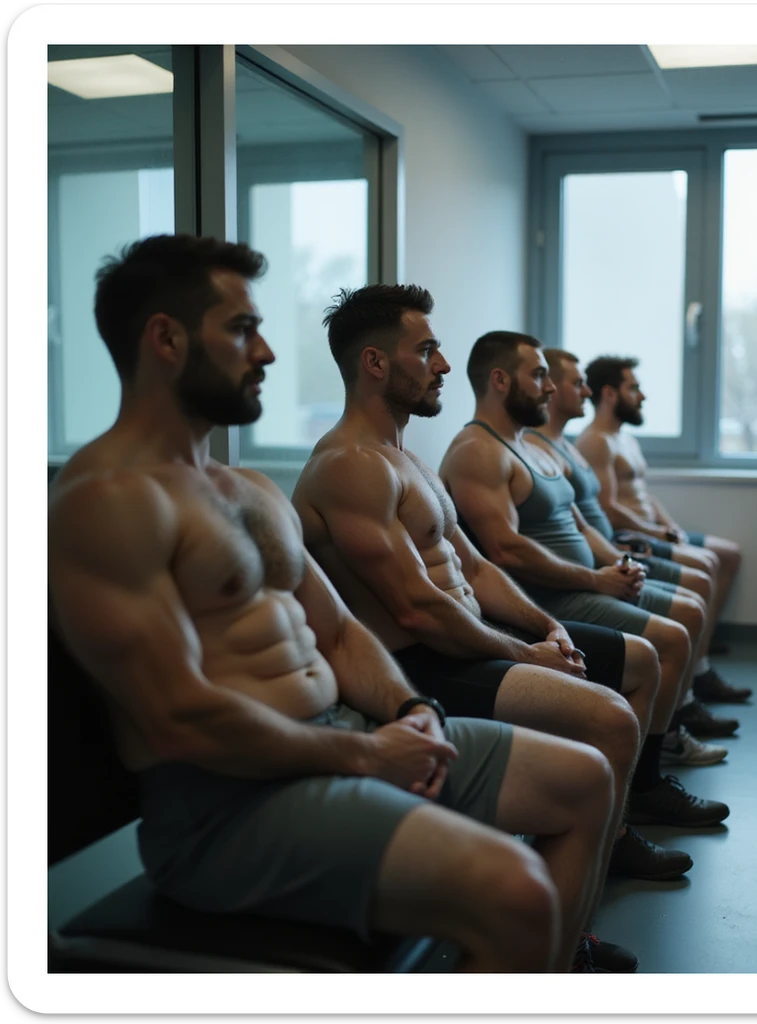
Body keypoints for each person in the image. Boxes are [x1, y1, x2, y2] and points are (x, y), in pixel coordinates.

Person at [46, 235, 624, 973]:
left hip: (341, 740)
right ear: (165, 338)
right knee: (516, 891)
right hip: (230, 809)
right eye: (241, 330)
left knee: (585, 780)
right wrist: (366, 754)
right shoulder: (105, 503)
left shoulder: (246, 488)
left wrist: (415, 712)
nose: (267, 354)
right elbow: (179, 715)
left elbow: (342, 633)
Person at [290, 284, 696, 914]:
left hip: (470, 641)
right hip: (421, 664)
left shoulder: (409, 461)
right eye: (426, 351)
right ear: (374, 364)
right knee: (611, 718)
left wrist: (545, 625)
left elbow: (475, 568)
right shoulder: (348, 466)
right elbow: (416, 610)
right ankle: (574, 923)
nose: (444, 366)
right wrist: (526, 655)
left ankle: (599, 846)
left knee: (637, 664)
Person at [439, 331, 734, 833]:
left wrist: (616, 564)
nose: (550, 388)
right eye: (539, 376)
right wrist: (596, 581)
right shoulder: (476, 451)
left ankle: (642, 779)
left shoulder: (534, 447)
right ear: (499, 380)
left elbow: (578, 524)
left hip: (585, 582)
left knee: (682, 618)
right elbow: (506, 550)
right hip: (549, 595)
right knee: (669, 637)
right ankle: (642, 790)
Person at [526, 348, 749, 759]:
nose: (583, 391)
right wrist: (608, 564)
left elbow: (582, 521)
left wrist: (626, 550)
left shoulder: (565, 447)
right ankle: (678, 716)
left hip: (610, 551)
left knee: (706, 579)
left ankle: (682, 704)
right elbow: (598, 514)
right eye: (574, 384)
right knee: (697, 586)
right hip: (590, 568)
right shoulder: (572, 444)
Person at [576, 356, 751, 707]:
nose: (642, 396)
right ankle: (698, 672)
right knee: (706, 566)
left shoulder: (624, 438)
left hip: (652, 529)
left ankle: (698, 648)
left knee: (728, 554)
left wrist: (668, 524)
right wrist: (655, 533)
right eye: (634, 388)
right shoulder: (596, 441)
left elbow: (645, 494)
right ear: (610, 394)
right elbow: (609, 509)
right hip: (631, 536)